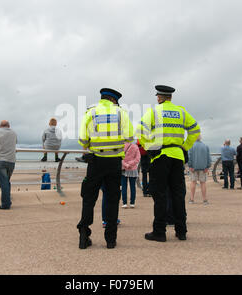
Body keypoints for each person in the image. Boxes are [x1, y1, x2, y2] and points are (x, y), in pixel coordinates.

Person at [137, 85, 200, 242]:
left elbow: (139, 130)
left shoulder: (154, 111)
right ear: (170, 97)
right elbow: (195, 130)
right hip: (177, 156)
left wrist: (149, 147)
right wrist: (184, 146)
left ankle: (159, 232)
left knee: (160, 195)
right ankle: (181, 231)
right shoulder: (181, 112)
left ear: (159, 97)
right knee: (178, 194)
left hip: (160, 156)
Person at [77, 88, 134, 249]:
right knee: (112, 199)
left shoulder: (91, 113)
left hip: (95, 161)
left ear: (102, 98)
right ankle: (110, 239)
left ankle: (83, 235)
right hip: (114, 162)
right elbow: (130, 136)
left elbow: (82, 139)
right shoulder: (121, 113)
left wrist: (92, 144)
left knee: (89, 198)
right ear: (114, 100)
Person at [0, 120, 17, 210]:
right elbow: (14, 144)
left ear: (0, 126)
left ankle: (5, 204)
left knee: (3, 183)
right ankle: (7, 200)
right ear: (8, 126)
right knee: (6, 182)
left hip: (0, 160)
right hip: (12, 161)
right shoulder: (14, 133)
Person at [188, 135, 211, 204]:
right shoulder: (205, 146)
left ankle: (192, 199)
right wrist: (207, 166)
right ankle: (204, 200)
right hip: (203, 167)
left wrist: (190, 165)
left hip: (193, 167)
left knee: (193, 182)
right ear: (200, 138)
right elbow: (208, 157)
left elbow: (189, 157)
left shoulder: (191, 146)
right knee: (203, 183)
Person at [121, 141, 141, 208]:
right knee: (133, 187)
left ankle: (124, 203)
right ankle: (132, 203)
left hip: (124, 168)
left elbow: (120, 158)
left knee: (124, 186)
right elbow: (138, 158)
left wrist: (126, 164)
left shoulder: (122, 146)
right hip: (133, 169)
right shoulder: (135, 146)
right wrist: (131, 164)